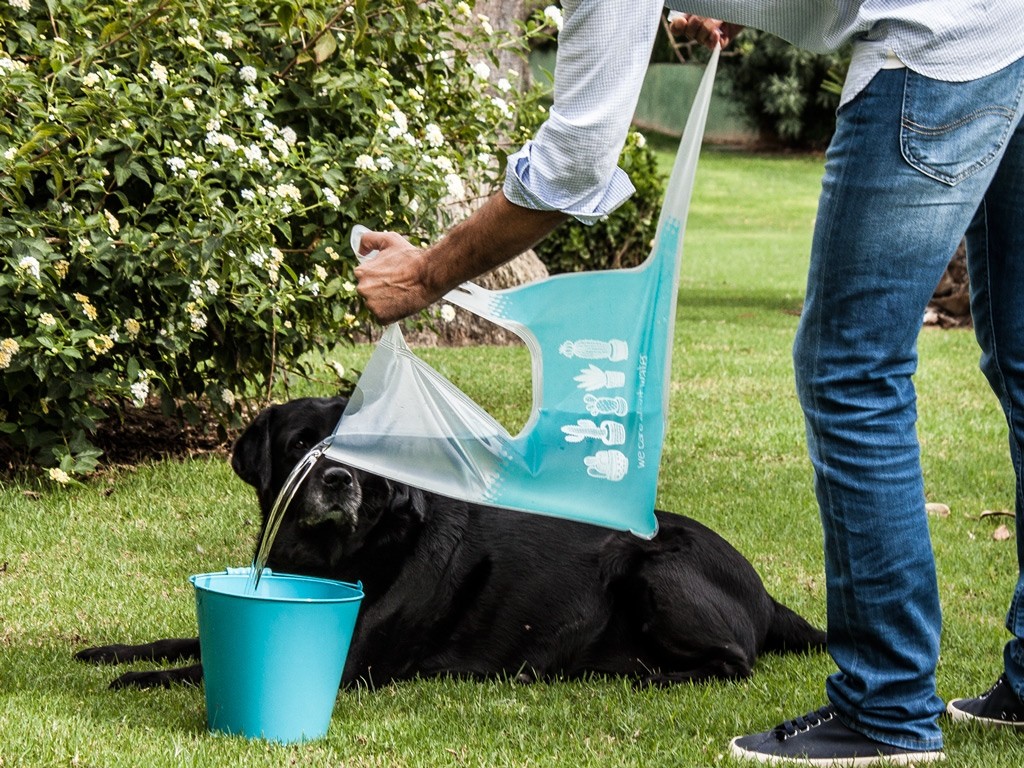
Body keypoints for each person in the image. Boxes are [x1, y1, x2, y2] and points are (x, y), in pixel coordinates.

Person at [355, 2, 1024, 764]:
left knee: (852, 368)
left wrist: (426, 274)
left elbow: (576, 159)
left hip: (941, 46)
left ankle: (887, 707)